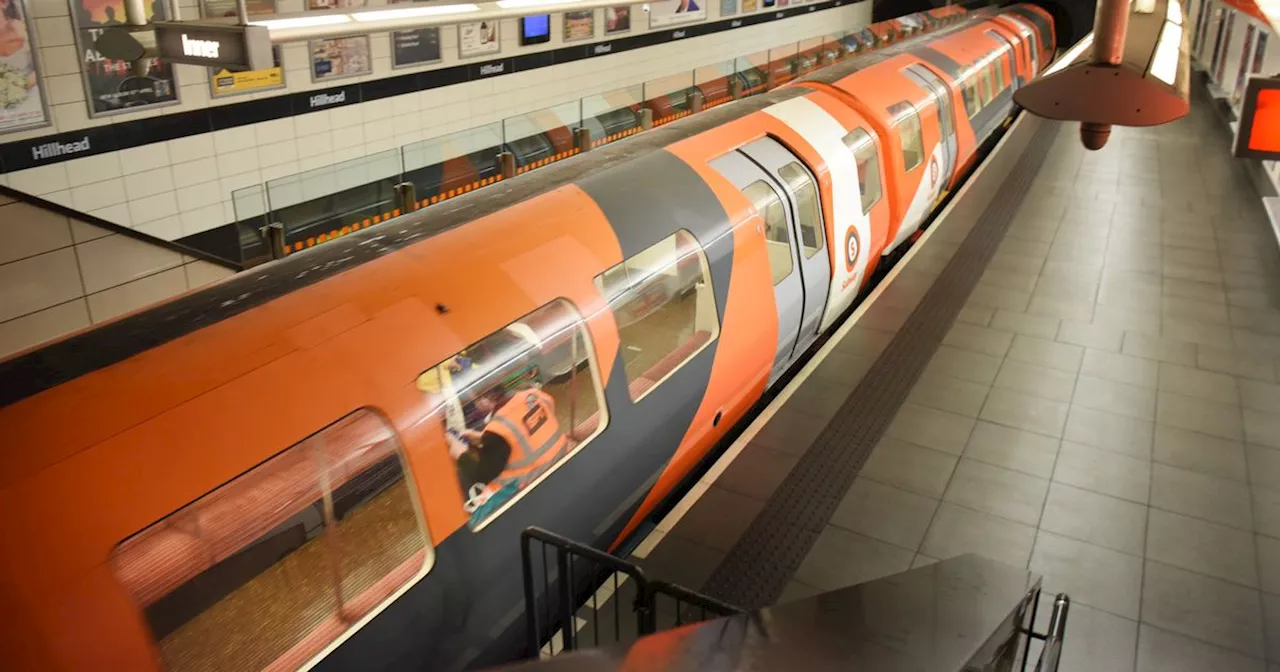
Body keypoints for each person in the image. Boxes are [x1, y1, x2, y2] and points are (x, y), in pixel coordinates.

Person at [453, 385, 568, 515]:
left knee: (462, 477)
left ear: (484, 400)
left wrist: (460, 453)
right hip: (561, 461)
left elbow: (481, 475)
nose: (475, 406)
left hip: (530, 489)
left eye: (475, 402)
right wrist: (482, 438)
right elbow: (525, 430)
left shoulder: (498, 430)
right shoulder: (531, 396)